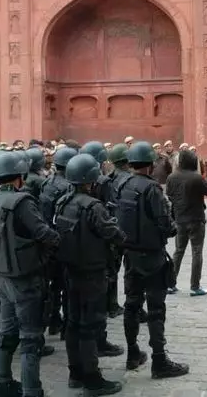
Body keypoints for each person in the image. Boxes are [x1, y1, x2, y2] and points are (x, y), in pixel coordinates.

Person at [0, 151, 60, 397]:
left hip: (3, 277)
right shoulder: (22, 202)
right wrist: (57, 240)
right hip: (26, 279)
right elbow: (42, 232)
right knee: (30, 338)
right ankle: (31, 390)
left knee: (7, 334)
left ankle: (2, 383)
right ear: (18, 177)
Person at [55, 154, 127, 395]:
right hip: (92, 272)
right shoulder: (93, 206)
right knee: (89, 325)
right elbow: (112, 234)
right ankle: (92, 379)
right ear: (90, 180)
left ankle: (75, 373)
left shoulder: (63, 202)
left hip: (71, 271)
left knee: (73, 323)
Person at [116, 141, 189, 379]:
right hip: (152, 256)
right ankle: (159, 360)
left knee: (132, 305)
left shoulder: (123, 184)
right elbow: (165, 224)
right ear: (149, 164)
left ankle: (132, 353)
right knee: (156, 309)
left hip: (130, 255)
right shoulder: (152, 188)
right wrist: (173, 228)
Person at [79, 141, 126, 357]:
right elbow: (111, 206)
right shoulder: (104, 181)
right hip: (102, 229)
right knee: (110, 271)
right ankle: (111, 306)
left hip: (84, 234)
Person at [39, 146, 77, 336]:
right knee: (68, 285)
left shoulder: (48, 183)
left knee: (54, 285)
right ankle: (67, 325)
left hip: (48, 239)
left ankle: (54, 320)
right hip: (64, 240)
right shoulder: (69, 186)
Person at [166, 149, 207, 296]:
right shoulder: (196, 177)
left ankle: (170, 284)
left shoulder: (172, 177)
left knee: (178, 251)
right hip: (196, 219)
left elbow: (169, 195)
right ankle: (195, 286)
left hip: (180, 219)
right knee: (196, 252)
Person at [105, 143, 131, 317]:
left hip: (111, 229)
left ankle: (110, 304)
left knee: (111, 269)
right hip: (126, 230)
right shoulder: (129, 180)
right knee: (130, 270)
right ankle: (131, 305)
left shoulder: (107, 179)